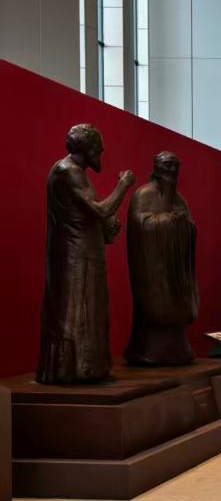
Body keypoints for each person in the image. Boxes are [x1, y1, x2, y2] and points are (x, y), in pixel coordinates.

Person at [37, 124, 135, 384]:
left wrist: (105, 228)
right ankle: (70, 369)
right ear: (87, 149)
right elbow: (100, 210)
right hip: (75, 254)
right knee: (74, 310)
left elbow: (88, 214)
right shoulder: (67, 170)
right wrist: (123, 185)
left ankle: (88, 367)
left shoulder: (75, 171)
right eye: (98, 149)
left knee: (88, 309)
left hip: (85, 251)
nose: (101, 154)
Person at [124, 151, 199, 366]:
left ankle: (178, 348)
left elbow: (190, 227)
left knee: (177, 307)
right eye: (167, 166)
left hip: (174, 266)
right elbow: (142, 225)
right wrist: (170, 220)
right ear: (157, 168)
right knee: (155, 307)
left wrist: (184, 225)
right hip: (152, 265)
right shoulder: (144, 194)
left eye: (175, 166)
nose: (172, 171)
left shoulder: (178, 198)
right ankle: (149, 350)